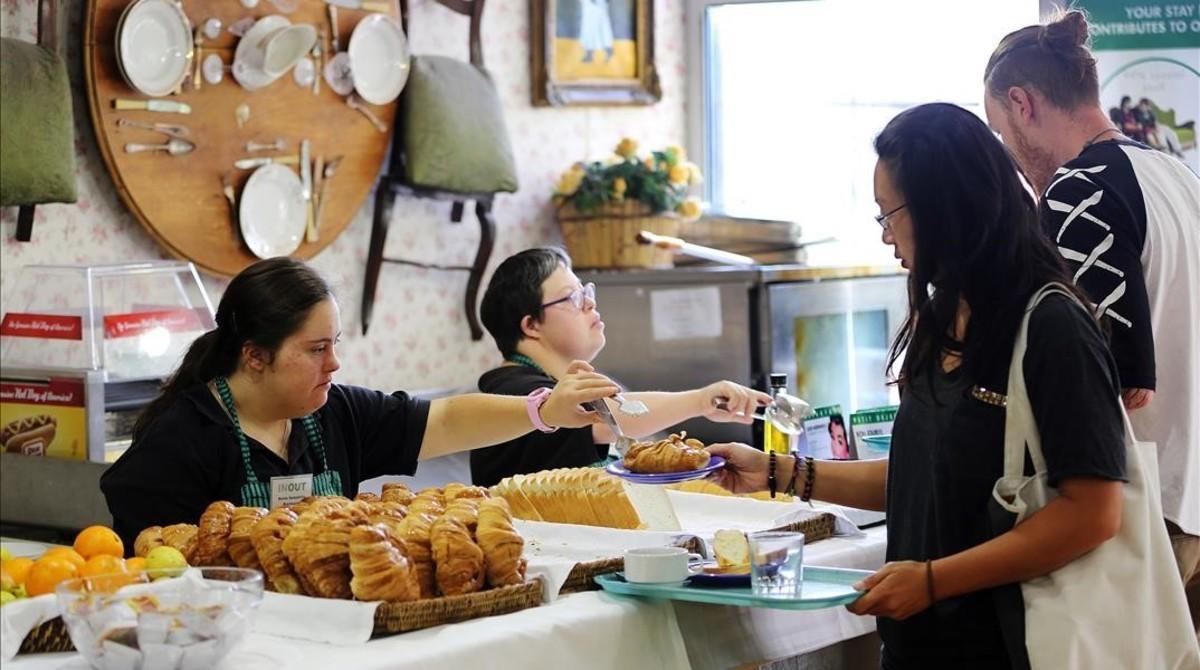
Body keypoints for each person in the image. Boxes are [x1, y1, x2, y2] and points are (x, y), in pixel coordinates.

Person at [710, 103, 1130, 668]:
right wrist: (778, 472)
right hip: (920, 648)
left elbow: (1093, 512)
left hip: (1014, 647)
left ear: (944, 207)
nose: (886, 236)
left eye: (890, 214)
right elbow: (921, 475)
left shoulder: (1051, 326)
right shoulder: (944, 316)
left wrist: (934, 580)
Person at [101, 258, 620, 549]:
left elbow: (443, 418)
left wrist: (542, 412)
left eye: (337, 344)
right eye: (316, 349)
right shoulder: (182, 438)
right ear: (255, 356)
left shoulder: (333, 412)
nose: (335, 364)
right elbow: (151, 567)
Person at [983, 9, 1200, 633]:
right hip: (1188, 493)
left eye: (1001, 132)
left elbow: (1093, 375)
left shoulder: (1080, 190)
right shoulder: (1175, 173)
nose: (1010, 157)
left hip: (1137, 506)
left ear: (1021, 104)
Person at [471, 247, 770, 487]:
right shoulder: (516, 390)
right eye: (572, 298)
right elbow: (605, 421)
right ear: (531, 325)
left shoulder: (556, 382)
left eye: (586, 292)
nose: (590, 304)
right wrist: (700, 400)